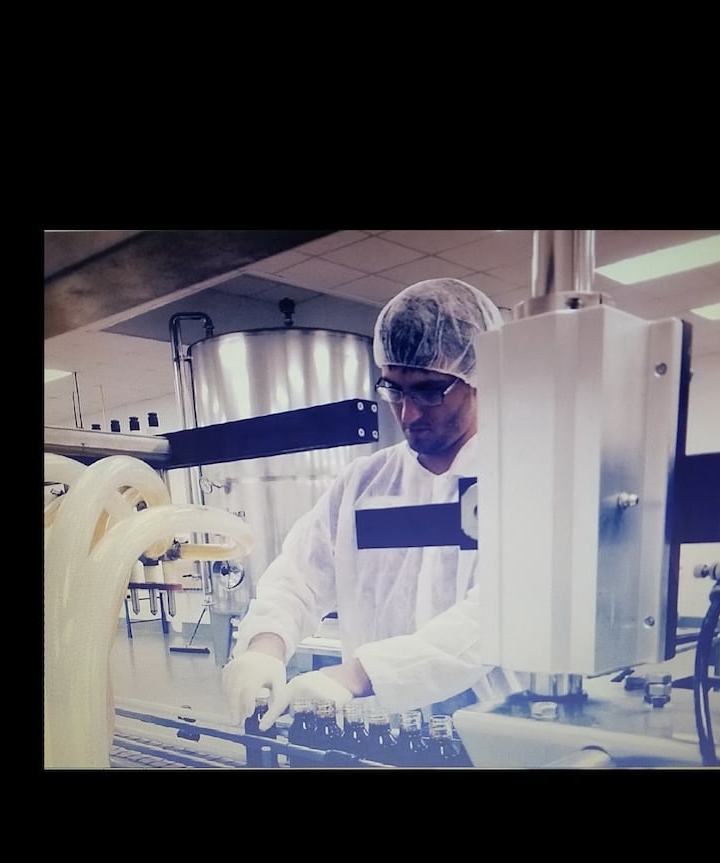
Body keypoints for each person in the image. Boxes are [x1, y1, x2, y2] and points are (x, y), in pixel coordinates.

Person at [222, 277, 523, 733]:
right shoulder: (364, 484)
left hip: (493, 738)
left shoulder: (521, 481)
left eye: (428, 391)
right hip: (379, 735)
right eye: (394, 390)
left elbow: (496, 617)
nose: (408, 413)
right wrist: (265, 647)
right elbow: (298, 577)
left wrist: (358, 676)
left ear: (480, 377)